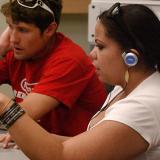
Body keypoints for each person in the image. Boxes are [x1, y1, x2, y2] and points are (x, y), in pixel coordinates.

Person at [1, 2, 160, 160]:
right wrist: (29, 137)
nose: (91, 55)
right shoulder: (124, 86)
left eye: (100, 46)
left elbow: (61, 155)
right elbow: (82, 145)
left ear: (131, 58)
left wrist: (4, 106)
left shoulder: (143, 106)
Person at [0, 0, 107, 148]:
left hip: (78, 150)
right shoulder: (17, 53)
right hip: (44, 146)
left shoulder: (70, 60)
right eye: (10, 27)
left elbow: (21, 115)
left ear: (49, 30)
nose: (13, 39)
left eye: (23, 30)